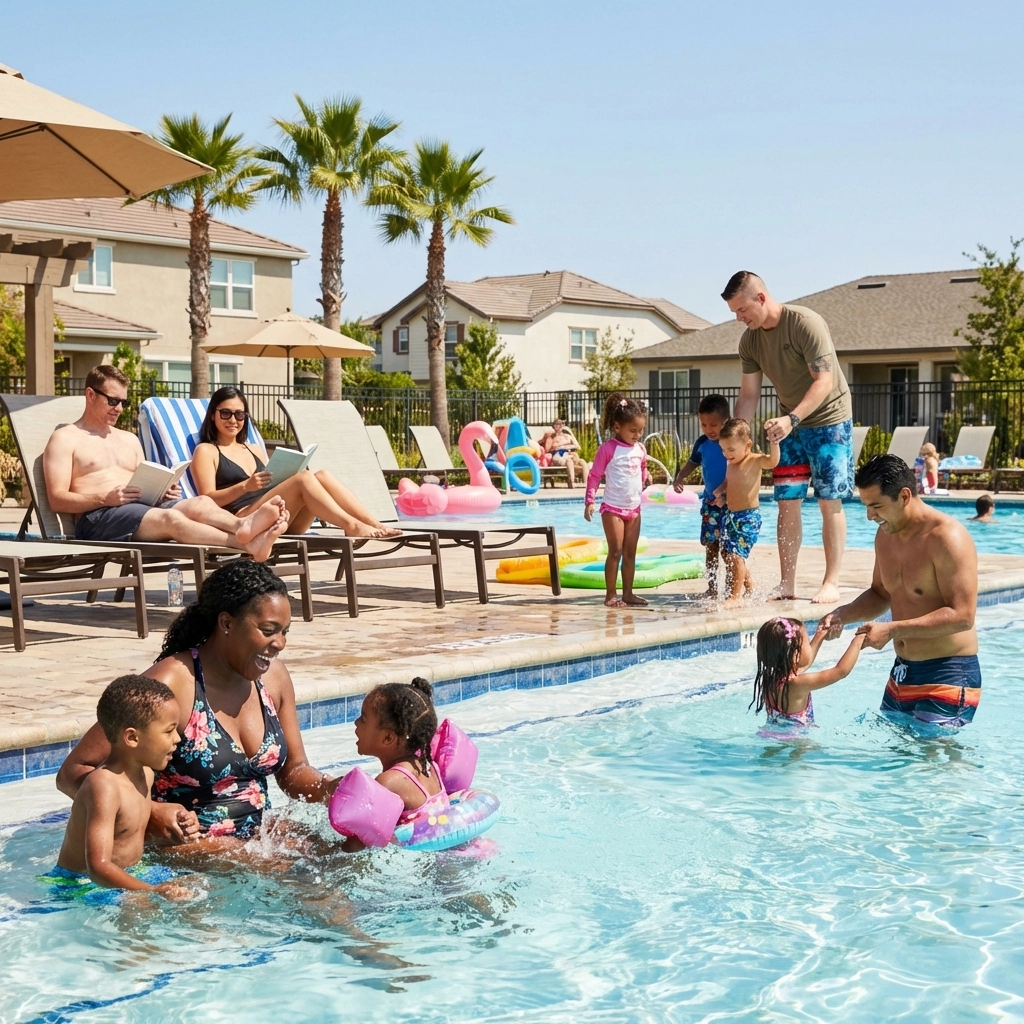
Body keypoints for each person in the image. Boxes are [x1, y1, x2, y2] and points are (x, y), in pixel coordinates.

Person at [56, 561, 340, 842]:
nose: (280, 643)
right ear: (226, 623)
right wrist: (150, 812)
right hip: (185, 846)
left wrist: (329, 788)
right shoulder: (172, 683)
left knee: (341, 851)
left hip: (256, 842)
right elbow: (72, 773)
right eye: (268, 630)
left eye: (284, 631)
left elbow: (294, 771)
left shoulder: (274, 678)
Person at [43, 365, 289, 561]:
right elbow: (56, 499)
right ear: (90, 395)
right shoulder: (65, 438)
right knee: (171, 520)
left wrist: (162, 492)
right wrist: (104, 498)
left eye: (123, 403)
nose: (119, 409)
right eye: (112, 401)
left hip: (141, 510)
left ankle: (241, 525)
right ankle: (245, 543)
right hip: (98, 518)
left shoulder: (129, 439)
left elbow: (143, 484)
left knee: (200, 502)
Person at [820, 455, 981, 727]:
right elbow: (880, 594)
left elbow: (963, 616)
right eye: (867, 507)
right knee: (896, 753)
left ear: (904, 496)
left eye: (876, 506)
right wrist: (841, 615)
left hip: (948, 673)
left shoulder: (947, 538)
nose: (870, 516)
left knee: (930, 753)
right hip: (902, 672)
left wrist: (892, 630)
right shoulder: (885, 535)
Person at [725, 271, 854, 604]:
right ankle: (787, 583)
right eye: (734, 312)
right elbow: (749, 395)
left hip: (829, 420)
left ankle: (832, 582)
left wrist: (792, 418)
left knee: (829, 500)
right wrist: (736, 439)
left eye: (742, 310)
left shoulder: (805, 324)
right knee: (787, 501)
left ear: (761, 298)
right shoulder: (750, 342)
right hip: (789, 425)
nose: (739, 318)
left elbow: (824, 381)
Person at [48, 675, 193, 898]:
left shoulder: (146, 774)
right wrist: (152, 890)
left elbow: (130, 830)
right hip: (80, 884)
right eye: (169, 731)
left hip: (130, 873)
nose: (177, 739)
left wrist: (183, 822)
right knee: (142, 905)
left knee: (196, 885)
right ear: (132, 738)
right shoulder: (103, 785)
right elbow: (98, 866)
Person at [190, 386, 401, 539]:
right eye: (225, 413)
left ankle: (374, 523)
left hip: (282, 517)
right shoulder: (206, 451)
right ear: (213, 415)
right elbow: (206, 501)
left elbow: (273, 485)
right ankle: (351, 526)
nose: (233, 420)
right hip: (246, 520)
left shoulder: (253, 449)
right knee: (304, 479)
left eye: (239, 414)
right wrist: (245, 486)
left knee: (322, 475)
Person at [341, 678, 443, 853]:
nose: (356, 723)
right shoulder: (428, 766)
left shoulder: (389, 782)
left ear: (388, 738)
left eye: (363, 719)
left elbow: (357, 844)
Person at [584, 394, 651, 608]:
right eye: (633, 430)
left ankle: (628, 594)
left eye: (640, 430)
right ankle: (611, 595)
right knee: (616, 552)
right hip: (613, 509)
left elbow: (642, 468)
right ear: (617, 427)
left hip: (634, 509)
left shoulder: (640, 449)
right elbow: (594, 475)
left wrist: (645, 478)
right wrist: (589, 501)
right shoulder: (608, 449)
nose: (637, 435)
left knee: (630, 553)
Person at [750, 616, 866, 728]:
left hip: (769, 733)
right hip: (795, 739)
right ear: (796, 654)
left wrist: (821, 634)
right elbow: (841, 671)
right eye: (807, 642)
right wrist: (858, 639)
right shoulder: (798, 683)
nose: (809, 646)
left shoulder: (771, 679)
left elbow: (803, 663)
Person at [717, 418, 780, 607]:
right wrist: (722, 493)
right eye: (723, 449)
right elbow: (731, 483)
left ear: (747, 445)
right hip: (731, 516)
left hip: (748, 518)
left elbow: (773, 461)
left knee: (736, 554)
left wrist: (774, 443)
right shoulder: (731, 464)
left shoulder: (755, 460)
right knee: (727, 553)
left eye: (731, 449)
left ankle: (735, 597)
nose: (726, 454)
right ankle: (750, 585)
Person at [673, 394, 730, 598]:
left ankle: (735, 589)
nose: (708, 429)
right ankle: (712, 588)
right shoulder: (702, 443)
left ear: (726, 421)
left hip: (732, 504)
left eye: (713, 424)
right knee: (711, 546)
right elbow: (693, 462)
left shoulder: (731, 442)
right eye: (704, 424)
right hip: (710, 503)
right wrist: (680, 476)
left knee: (731, 550)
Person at [540, 418, 589, 489]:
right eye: (558, 424)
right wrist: (561, 446)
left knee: (583, 462)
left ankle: (586, 484)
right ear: (553, 426)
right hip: (559, 454)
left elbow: (578, 447)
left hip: (571, 453)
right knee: (569, 461)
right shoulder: (551, 437)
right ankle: (571, 483)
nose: (560, 425)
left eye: (562, 424)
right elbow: (547, 449)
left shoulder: (568, 436)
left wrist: (570, 441)